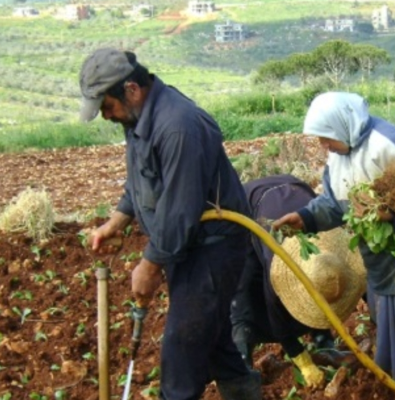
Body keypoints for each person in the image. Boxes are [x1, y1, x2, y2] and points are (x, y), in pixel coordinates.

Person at [79, 48, 260, 400]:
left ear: (130, 89)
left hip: (213, 249)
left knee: (181, 352)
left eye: (107, 107)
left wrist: (149, 266)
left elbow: (180, 210)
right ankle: (243, 389)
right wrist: (116, 221)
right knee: (214, 334)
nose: (106, 116)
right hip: (187, 245)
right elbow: (141, 182)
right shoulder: (137, 119)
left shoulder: (178, 126)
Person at [272, 92, 395, 398]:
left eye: (326, 138)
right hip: (383, 266)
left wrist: (389, 214)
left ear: (342, 126)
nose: (323, 145)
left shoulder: (388, 144)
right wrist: (305, 217)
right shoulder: (338, 156)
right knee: (391, 333)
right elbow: (334, 204)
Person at [230, 174, 362, 388]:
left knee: (321, 282)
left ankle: (323, 344)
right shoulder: (277, 268)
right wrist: (303, 361)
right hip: (247, 213)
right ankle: (240, 369)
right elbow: (276, 317)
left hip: (293, 191)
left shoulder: (330, 240)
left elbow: (361, 280)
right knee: (246, 293)